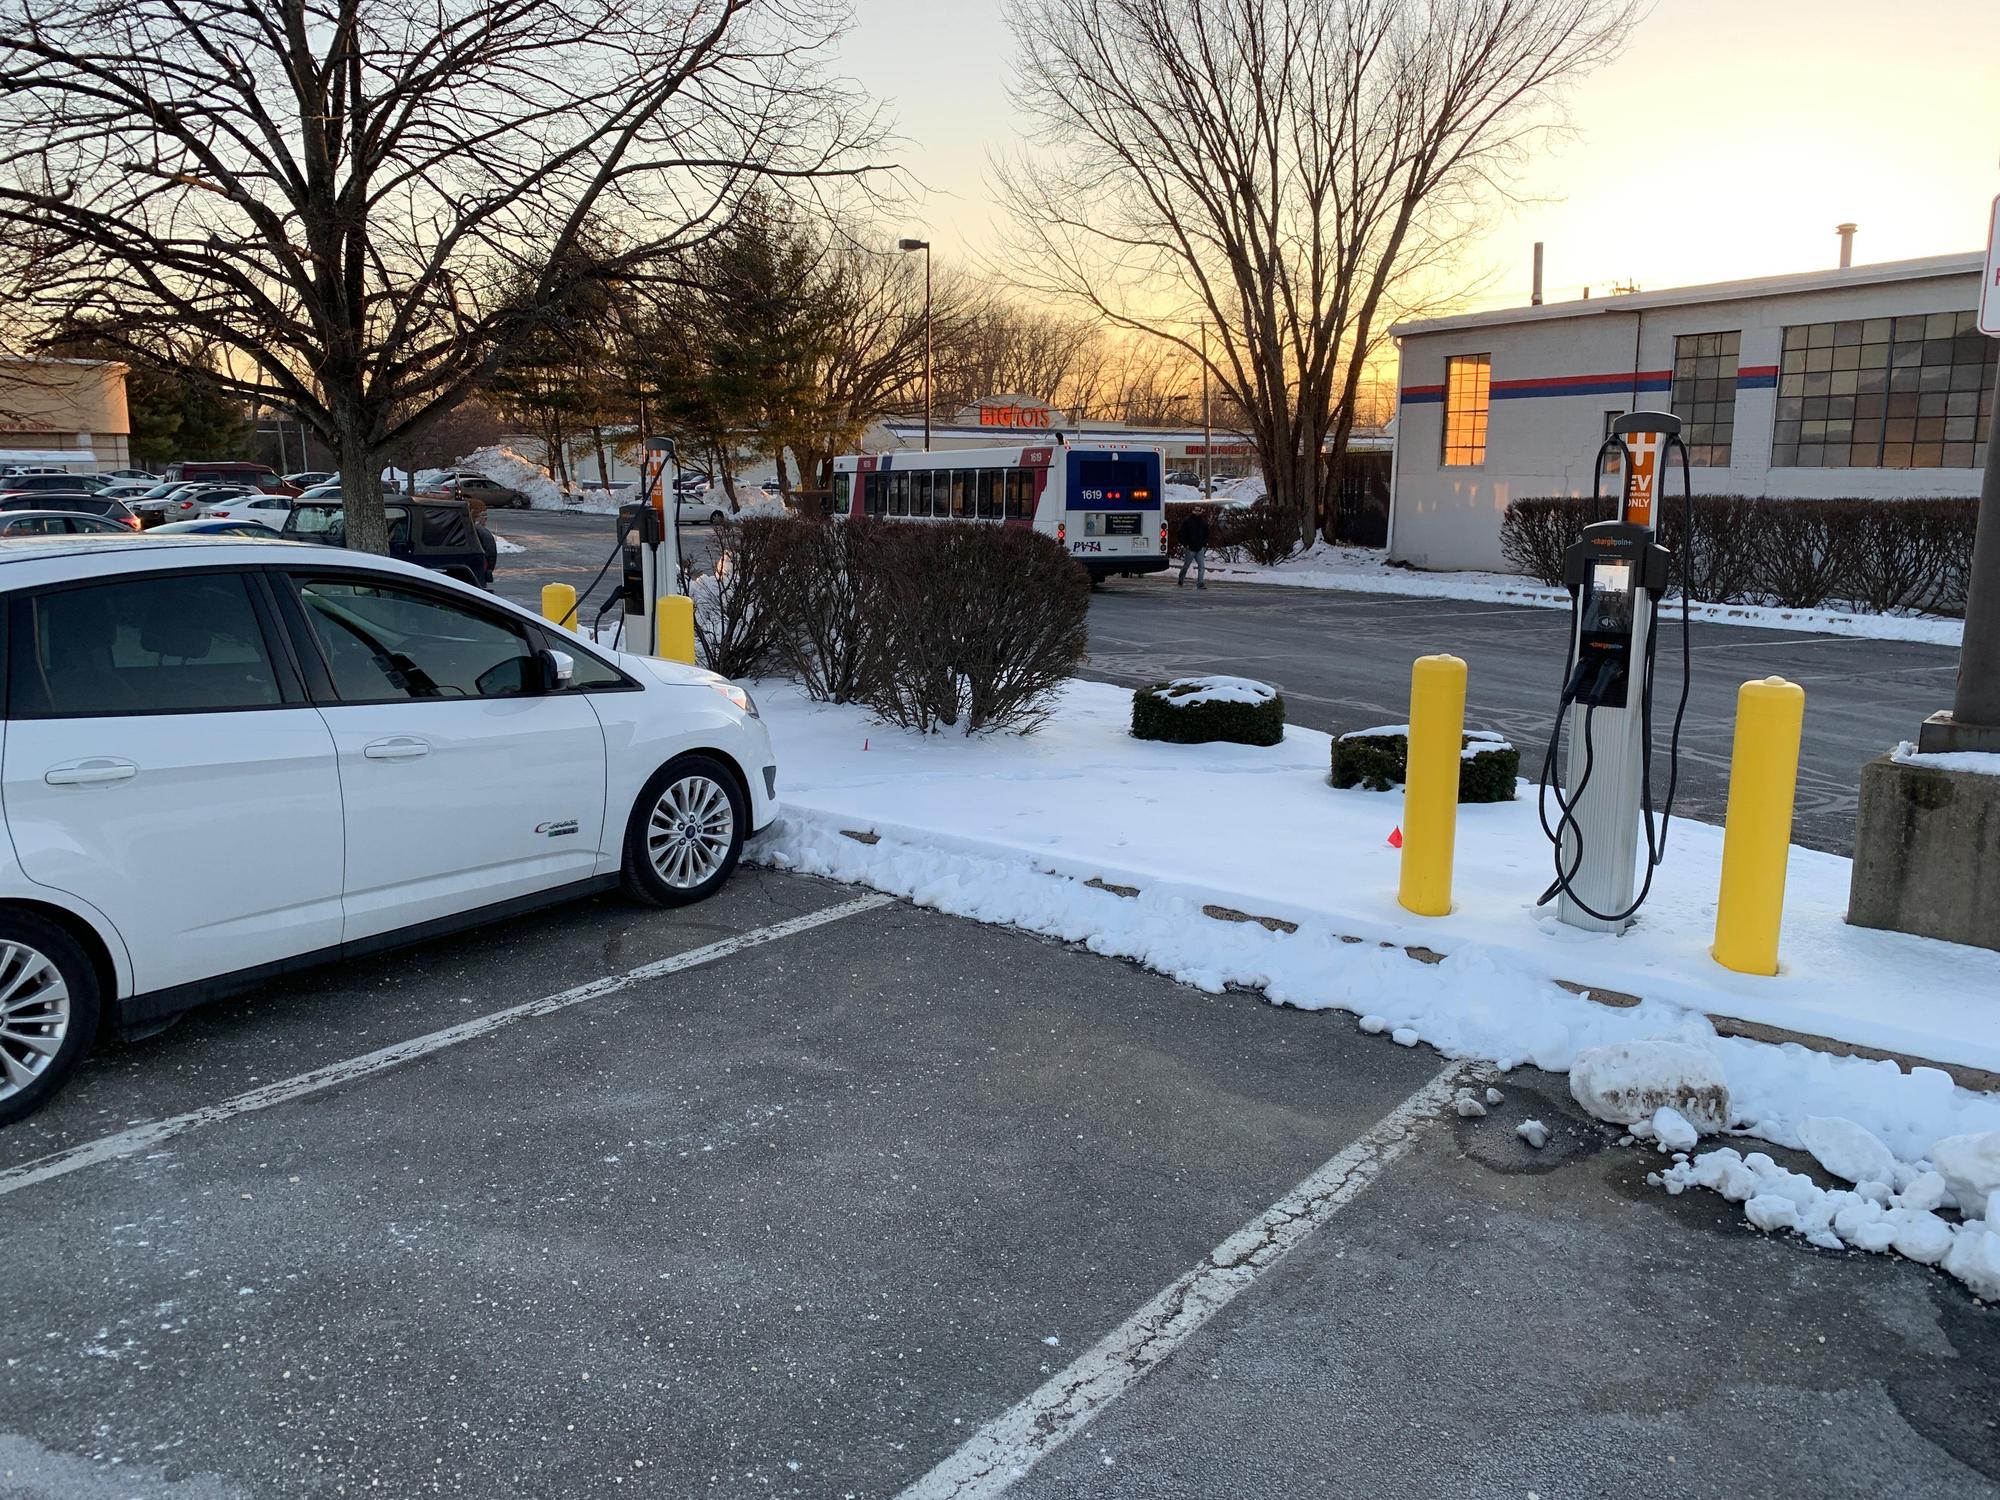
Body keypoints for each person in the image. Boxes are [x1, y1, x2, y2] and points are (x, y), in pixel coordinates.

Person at [467, 498, 499, 589]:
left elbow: (490, 550)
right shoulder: (478, 531)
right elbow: (491, 551)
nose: (486, 518)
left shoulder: (478, 531)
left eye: (486, 515)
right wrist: (489, 569)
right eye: (483, 515)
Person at [1177, 506, 1210, 589]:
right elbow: (1181, 534)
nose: (1197, 512)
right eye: (1196, 510)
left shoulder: (1203, 522)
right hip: (1190, 548)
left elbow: (1206, 534)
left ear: (1201, 511)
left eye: (1199, 510)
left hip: (1200, 548)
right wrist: (1186, 544)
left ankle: (1200, 583)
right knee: (1186, 566)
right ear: (1192, 511)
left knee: (1201, 566)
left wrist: (1204, 544)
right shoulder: (1187, 521)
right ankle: (1181, 579)